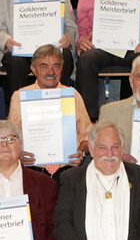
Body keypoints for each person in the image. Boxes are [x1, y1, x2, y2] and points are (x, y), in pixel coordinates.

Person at [6, 44, 91, 172]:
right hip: (32, 168)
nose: (51, 72)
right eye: (44, 66)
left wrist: (81, 152)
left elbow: (88, 136)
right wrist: (18, 153)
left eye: (56, 66)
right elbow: (11, 137)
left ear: (62, 68)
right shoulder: (20, 97)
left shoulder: (72, 95)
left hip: (68, 168)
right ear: (33, 69)